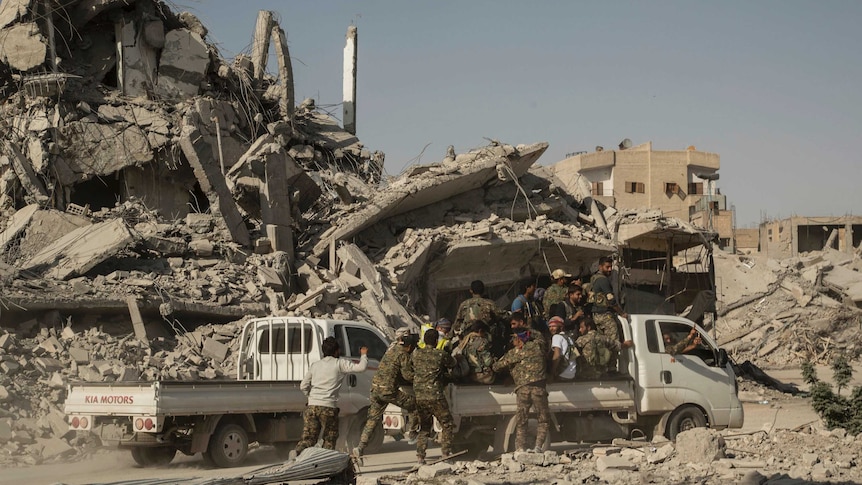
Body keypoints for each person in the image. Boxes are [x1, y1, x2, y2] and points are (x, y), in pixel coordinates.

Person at [295, 337, 368, 455]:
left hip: (312, 405)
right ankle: (325, 461)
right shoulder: (339, 363)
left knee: (308, 438)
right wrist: (363, 355)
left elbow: (303, 385)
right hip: (328, 407)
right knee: (330, 437)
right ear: (336, 351)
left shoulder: (315, 365)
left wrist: (311, 397)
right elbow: (361, 367)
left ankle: (297, 453)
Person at [353, 334, 418, 462]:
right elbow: (408, 375)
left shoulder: (391, 350)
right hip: (388, 390)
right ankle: (413, 434)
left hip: (375, 388)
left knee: (372, 420)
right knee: (413, 404)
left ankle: (360, 447)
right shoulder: (403, 354)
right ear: (409, 346)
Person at [492, 329, 550, 453]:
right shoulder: (538, 346)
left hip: (523, 390)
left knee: (522, 420)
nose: (512, 342)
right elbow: (540, 335)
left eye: (514, 339)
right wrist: (527, 331)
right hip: (539, 389)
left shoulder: (515, 353)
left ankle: (520, 448)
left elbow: (496, 367)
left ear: (519, 341)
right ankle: (538, 447)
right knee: (543, 419)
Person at [412, 330, 457, 464]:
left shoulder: (416, 354)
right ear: (436, 341)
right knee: (447, 424)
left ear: (424, 340)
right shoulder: (440, 354)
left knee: (425, 427)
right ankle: (445, 454)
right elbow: (453, 363)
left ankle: (420, 457)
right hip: (435, 396)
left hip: (420, 397)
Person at [589, 256, 628, 343]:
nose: (610, 269)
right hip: (605, 316)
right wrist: (621, 313)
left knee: (604, 343)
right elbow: (611, 300)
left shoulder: (594, 278)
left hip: (596, 315)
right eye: (607, 267)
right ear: (600, 267)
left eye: (610, 267)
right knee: (614, 343)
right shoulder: (603, 280)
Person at [457, 320, 496, 384]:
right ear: (480, 331)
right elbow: (488, 362)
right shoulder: (483, 342)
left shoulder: (465, 341)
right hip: (482, 376)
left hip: (468, 376)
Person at [548, 316, 578, 380]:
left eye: (554, 326)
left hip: (562, 373)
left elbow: (557, 356)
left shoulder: (556, 337)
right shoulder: (569, 338)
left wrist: (552, 374)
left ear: (561, 327)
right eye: (550, 326)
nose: (551, 328)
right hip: (571, 373)